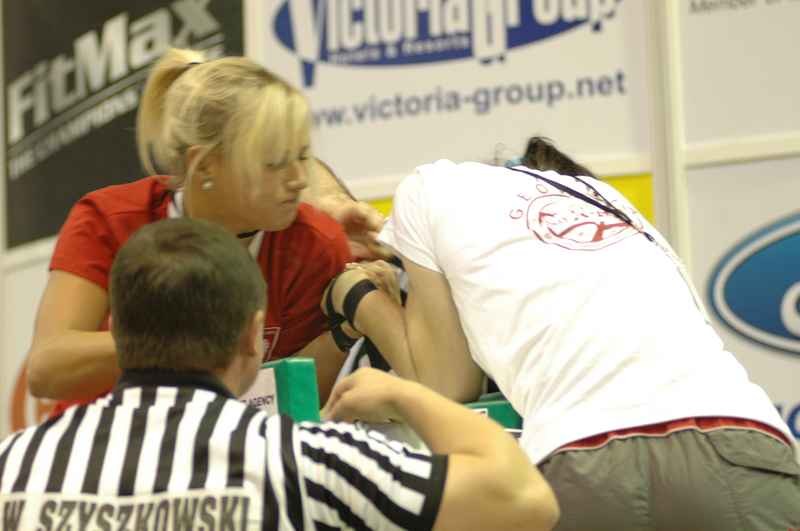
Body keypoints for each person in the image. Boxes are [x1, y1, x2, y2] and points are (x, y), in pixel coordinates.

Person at [324, 137, 800, 530]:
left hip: (591, 450)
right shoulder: (604, 198)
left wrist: (356, 294)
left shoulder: (427, 185)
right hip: (746, 435)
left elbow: (447, 384)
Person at [0, 218, 559, 531]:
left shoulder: (14, 464)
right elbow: (521, 498)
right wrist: (406, 395)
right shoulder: (304, 459)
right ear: (252, 336)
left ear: (117, 327)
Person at [26, 48, 383, 415]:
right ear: (207, 164)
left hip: (227, 454)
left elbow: (297, 400)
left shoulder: (314, 243)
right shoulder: (110, 219)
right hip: (104, 449)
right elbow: (47, 369)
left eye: (302, 157)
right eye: (275, 162)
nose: (297, 180)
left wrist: (346, 327)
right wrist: (192, 341)